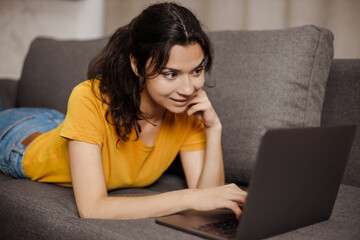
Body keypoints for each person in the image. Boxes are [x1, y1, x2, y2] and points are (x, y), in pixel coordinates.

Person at [0, 2, 247, 220]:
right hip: (20, 140)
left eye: (196, 71)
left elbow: (210, 202)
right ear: (136, 65)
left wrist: (214, 129)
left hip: (63, 126)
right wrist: (188, 198)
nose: (187, 88)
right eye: (170, 74)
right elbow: (92, 208)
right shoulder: (89, 97)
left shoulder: (188, 111)